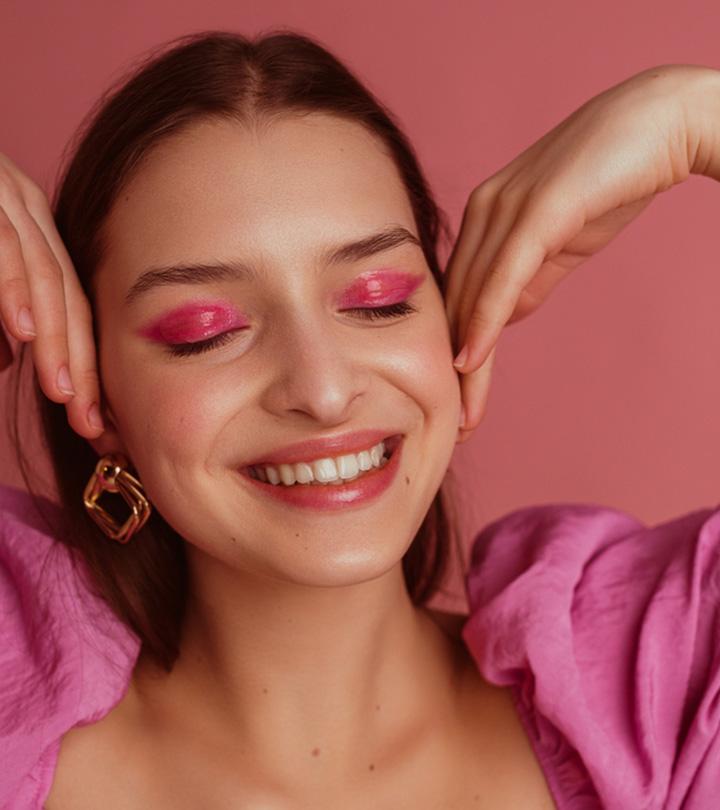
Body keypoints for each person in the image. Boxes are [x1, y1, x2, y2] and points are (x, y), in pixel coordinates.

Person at [0, 29, 718, 810]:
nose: (323, 388)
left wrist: (694, 117)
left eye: (377, 302)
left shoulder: (659, 686)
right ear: (94, 389)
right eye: (204, 331)